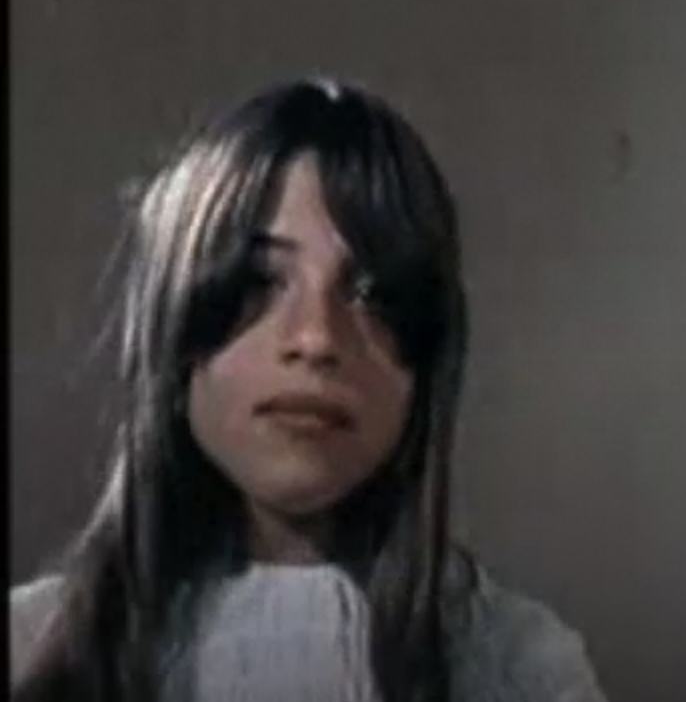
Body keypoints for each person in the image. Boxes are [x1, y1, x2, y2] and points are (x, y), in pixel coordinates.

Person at [10, 79, 609, 702]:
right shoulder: (28, 653)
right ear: (175, 327)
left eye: (371, 293)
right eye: (259, 281)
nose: (317, 338)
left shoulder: (525, 669)